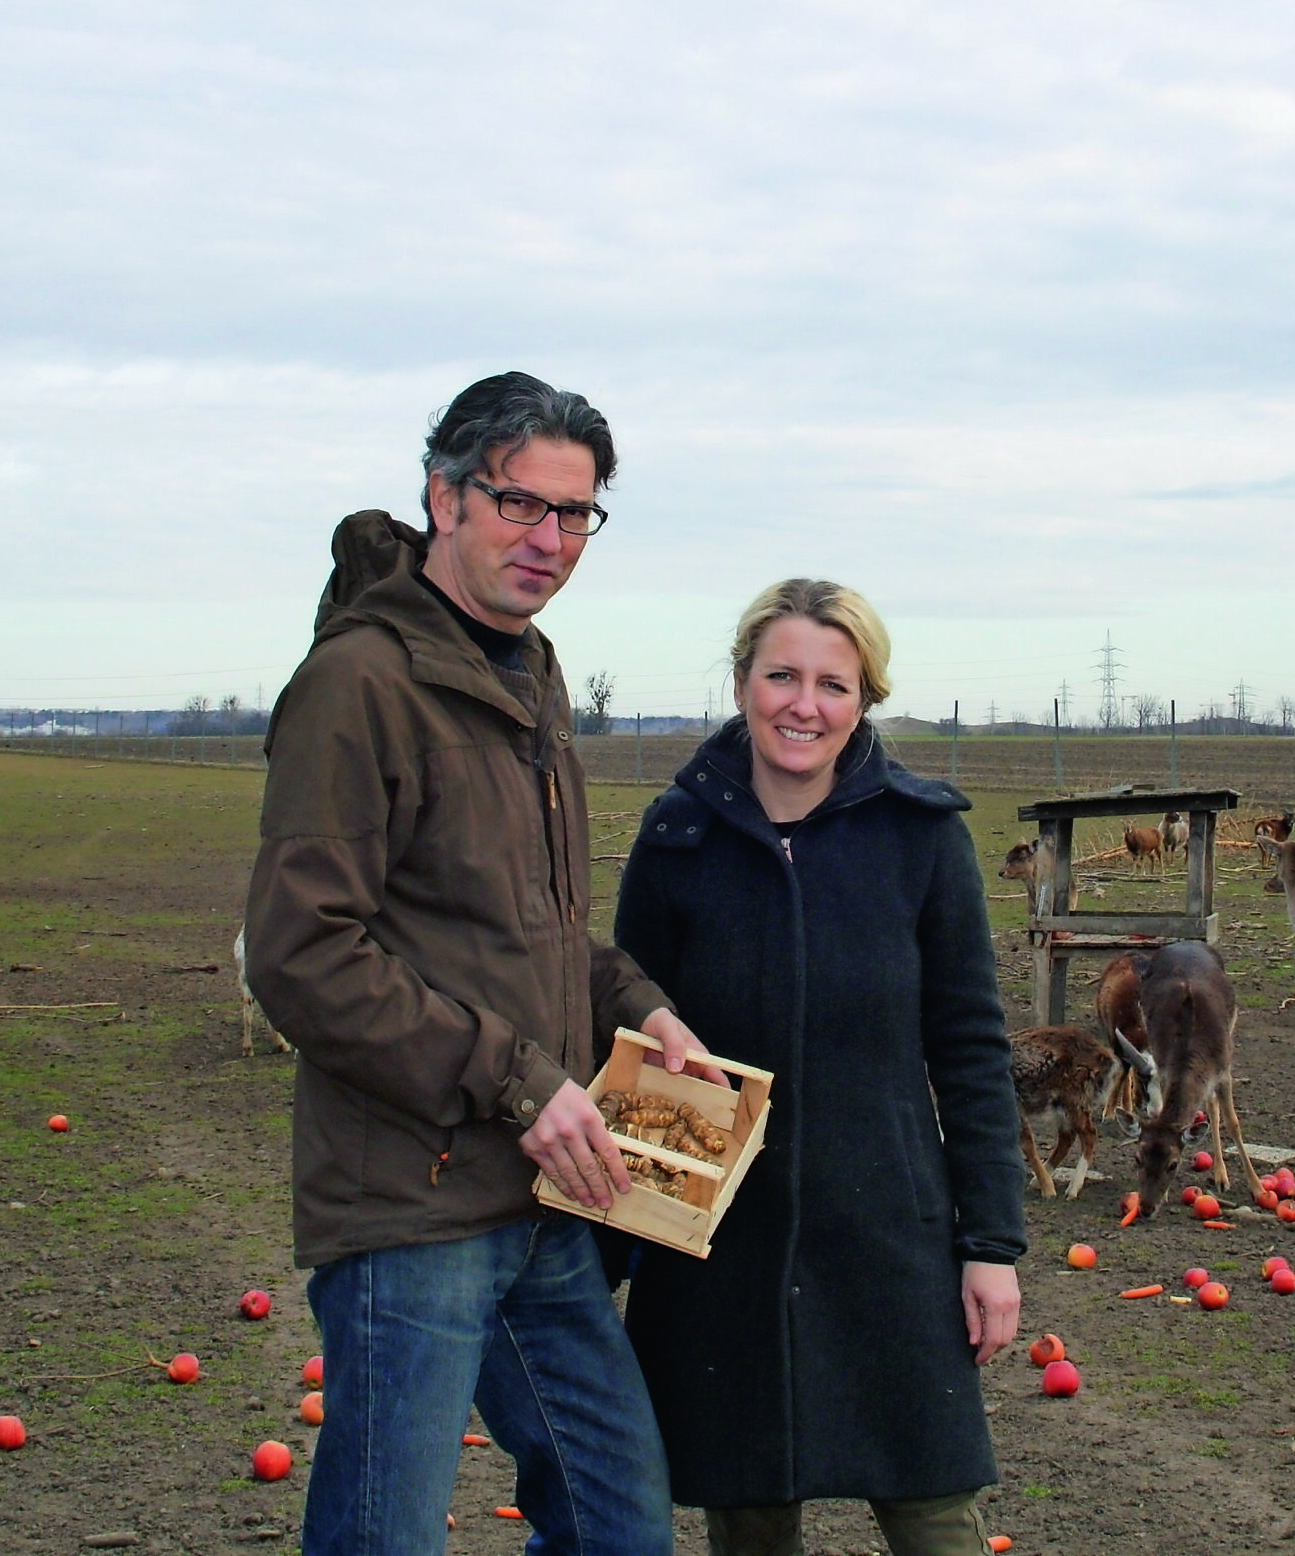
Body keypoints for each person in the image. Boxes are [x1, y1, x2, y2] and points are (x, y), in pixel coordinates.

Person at [244, 371, 712, 1556]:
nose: (549, 539)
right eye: (519, 503)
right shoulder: (359, 684)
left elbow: (528, 930)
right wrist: (519, 1080)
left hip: (541, 1199)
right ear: (443, 497)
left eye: (575, 514)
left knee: (619, 1523)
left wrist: (642, 1010)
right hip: (413, 1208)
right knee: (385, 1537)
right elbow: (302, 953)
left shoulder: (527, 670)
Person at [611, 579, 1029, 1555]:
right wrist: (609, 1256)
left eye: (833, 684)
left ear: (864, 698)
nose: (805, 705)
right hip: (723, 1254)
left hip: (890, 1242)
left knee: (935, 1518)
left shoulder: (923, 840)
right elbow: (627, 1046)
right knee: (749, 1519)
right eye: (782, 677)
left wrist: (990, 1244)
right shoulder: (677, 839)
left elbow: (971, 1050)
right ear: (741, 684)